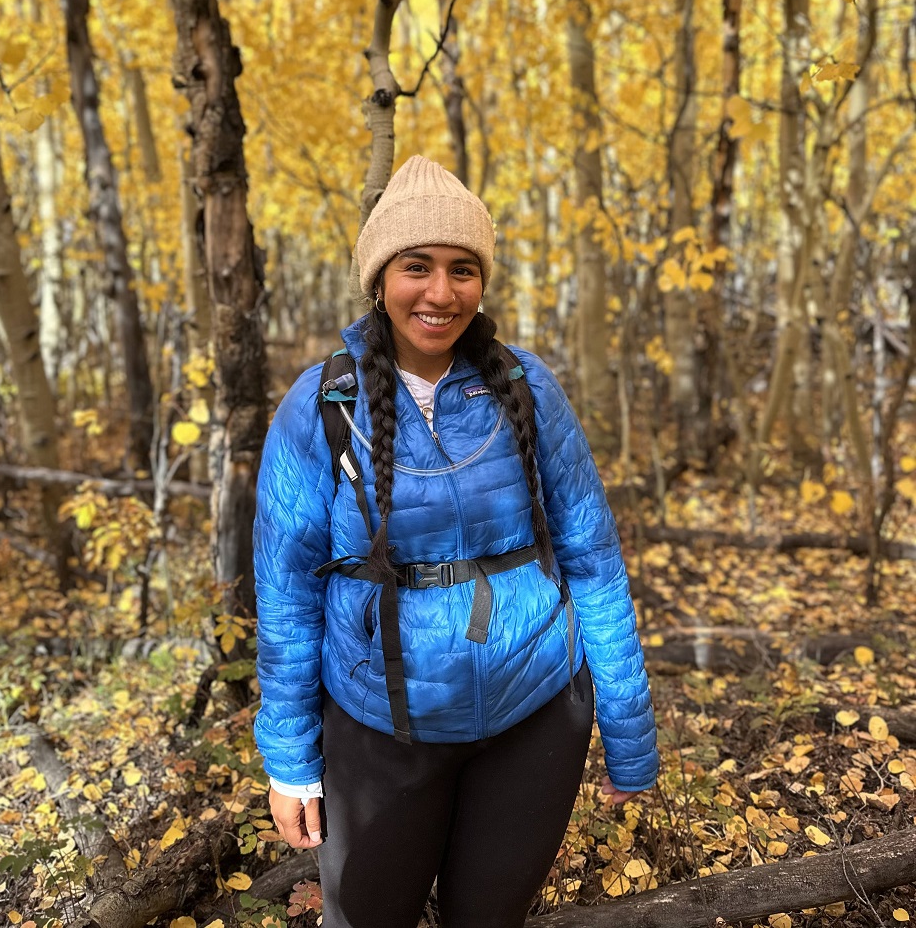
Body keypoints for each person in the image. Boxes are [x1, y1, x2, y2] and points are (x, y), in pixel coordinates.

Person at [253, 156, 658, 928]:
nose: (441, 293)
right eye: (417, 266)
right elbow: (286, 590)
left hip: (534, 712)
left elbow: (594, 559)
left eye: (462, 269)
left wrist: (629, 730)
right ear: (379, 277)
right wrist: (292, 760)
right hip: (381, 726)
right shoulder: (321, 406)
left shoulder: (526, 386)